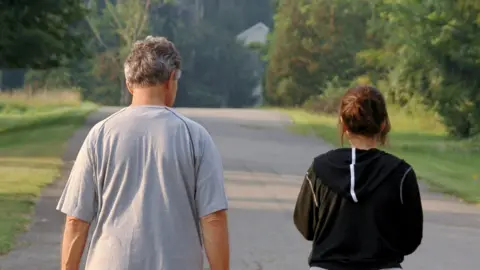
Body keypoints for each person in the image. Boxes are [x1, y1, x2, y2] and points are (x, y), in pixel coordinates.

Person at [56, 36, 230, 270]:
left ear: (129, 84)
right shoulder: (195, 137)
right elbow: (213, 217)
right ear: (171, 79)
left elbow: (76, 219)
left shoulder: (100, 135)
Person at [293, 86, 423, 270]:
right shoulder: (401, 173)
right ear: (383, 124)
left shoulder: (319, 169)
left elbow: (306, 227)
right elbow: (411, 239)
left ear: (343, 124)